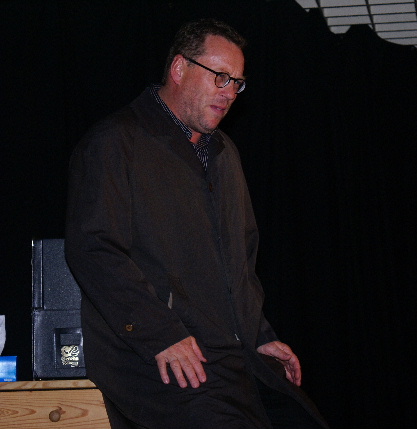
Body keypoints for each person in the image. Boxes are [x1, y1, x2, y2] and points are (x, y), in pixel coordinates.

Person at [65, 18, 329, 429]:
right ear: (179, 68)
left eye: (237, 83)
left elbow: (239, 262)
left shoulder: (224, 153)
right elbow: (94, 250)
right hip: (164, 361)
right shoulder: (116, 142)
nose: (229, 92)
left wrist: (260, 336)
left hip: (232, 360)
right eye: (220, 76)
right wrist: (160, 334)